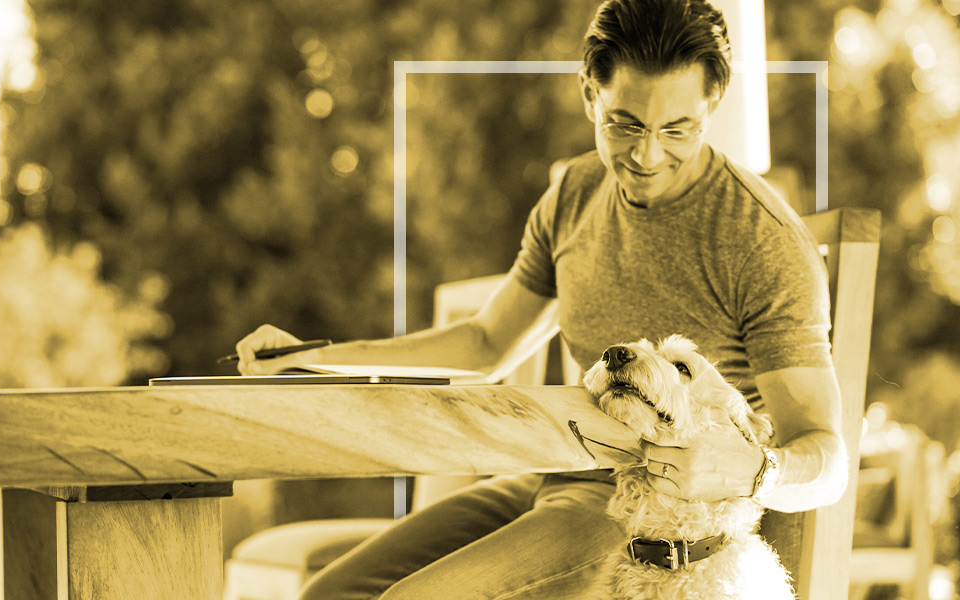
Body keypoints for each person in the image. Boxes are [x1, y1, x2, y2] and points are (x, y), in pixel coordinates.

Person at [236, 0, 848, 597]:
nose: (647, 154)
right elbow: (485, 342)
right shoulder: (576, 192)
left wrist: (753, 471)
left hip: (647, 522)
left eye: (677, 129)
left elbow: (826, 454)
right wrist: (314, 357)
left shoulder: (761, 238)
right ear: (590, 94)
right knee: (331, 594)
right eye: (625, 123)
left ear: (712, 104)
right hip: (549, 471)